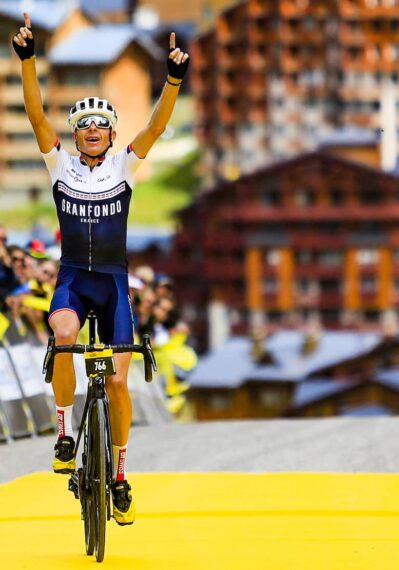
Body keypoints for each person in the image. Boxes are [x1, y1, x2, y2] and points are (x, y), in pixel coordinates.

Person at [13, 12, 190, 526]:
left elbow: (156, 124)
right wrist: (27, 61)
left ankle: (118, 474)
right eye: (84, 126)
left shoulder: (124, 166)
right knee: (63, 331)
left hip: (112, 283)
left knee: (117, 382)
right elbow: (35, 117)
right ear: (77, 135)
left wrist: (174, 78)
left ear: (112, 134)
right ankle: (65, 433)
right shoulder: (60, 165)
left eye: (100, 126)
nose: (92, 132)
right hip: (72, 277)